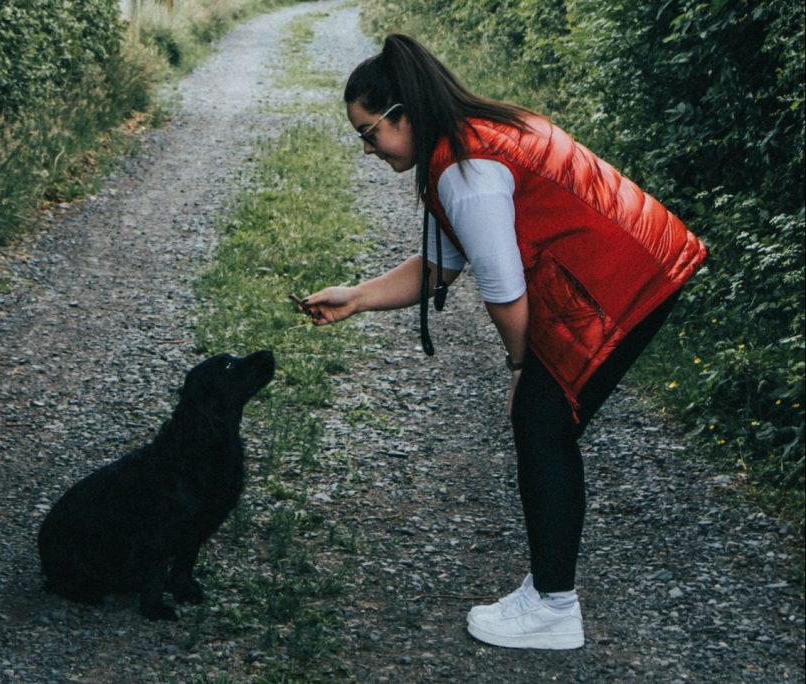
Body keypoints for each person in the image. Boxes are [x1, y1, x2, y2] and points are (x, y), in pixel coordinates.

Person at [297, 34, 706, 650]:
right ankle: (548, 592)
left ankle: (553, 608)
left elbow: (505, 293)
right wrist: (355, 296)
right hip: (643, 263)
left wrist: (522, 366)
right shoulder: (471, 135)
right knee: (543, 423)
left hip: (628, 281)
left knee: (541, 422)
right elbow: (443, 262)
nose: (366, 149)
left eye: (368, 133)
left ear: (403, 113)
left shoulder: (466, 171)